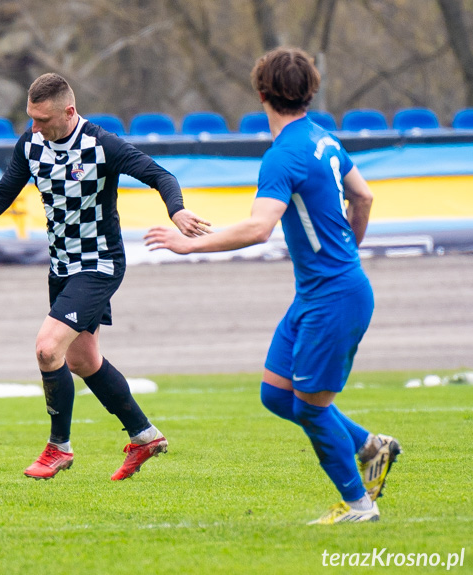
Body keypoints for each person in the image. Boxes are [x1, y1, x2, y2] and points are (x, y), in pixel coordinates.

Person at [145, 47, 400, 524]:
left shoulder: (283, 155)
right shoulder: (323, 139)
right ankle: (371, 445)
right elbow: (363, 196)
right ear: (310, 90)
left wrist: (188, 245)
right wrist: (347, 250)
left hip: (334, 297)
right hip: (322, 292)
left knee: (312, 408)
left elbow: (259, 228)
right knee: (277, 394)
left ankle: (360, 506)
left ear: (261, 94)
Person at [0, 73, 211, 481]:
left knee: (47, 349)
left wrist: (177, 209)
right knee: (82, 359)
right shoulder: (31, 144)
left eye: (42, 119)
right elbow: (1, 195)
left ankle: (59, 447)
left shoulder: (101, 145)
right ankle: (144, 435)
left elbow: (160, 175)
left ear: (69, 112)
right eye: (31, 118)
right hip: (61, 268)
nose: (34, 127)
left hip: (99, 265)